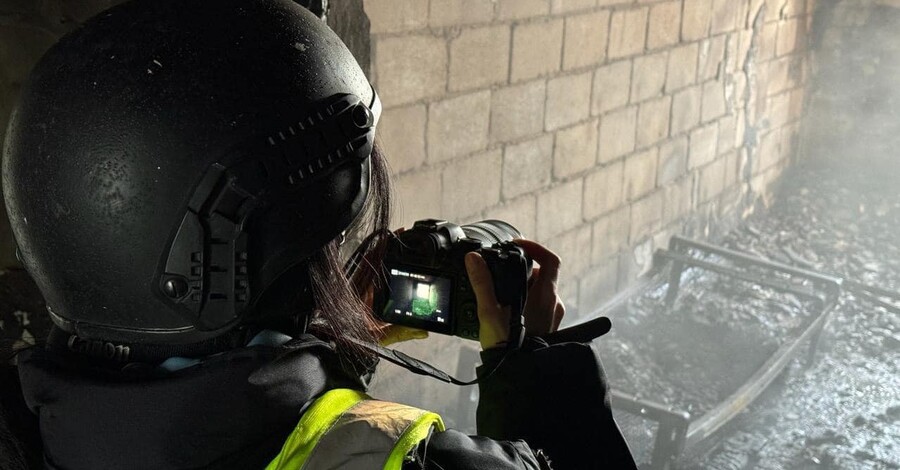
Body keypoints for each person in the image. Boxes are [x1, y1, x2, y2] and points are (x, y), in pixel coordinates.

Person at [0, 0, 637, 468]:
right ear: (214, 262)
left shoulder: (23, 431)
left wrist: (321, 354)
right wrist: (539, 382)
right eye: (328, 241)